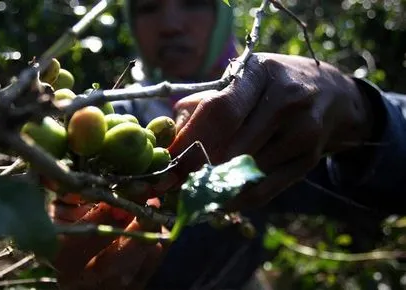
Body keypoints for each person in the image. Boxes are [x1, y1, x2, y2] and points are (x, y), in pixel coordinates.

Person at [49, 0, 406, 289]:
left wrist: (361, 109)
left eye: (194, 3)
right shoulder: (107, 117)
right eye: (147, 7)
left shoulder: (268, 112)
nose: (170, 23)